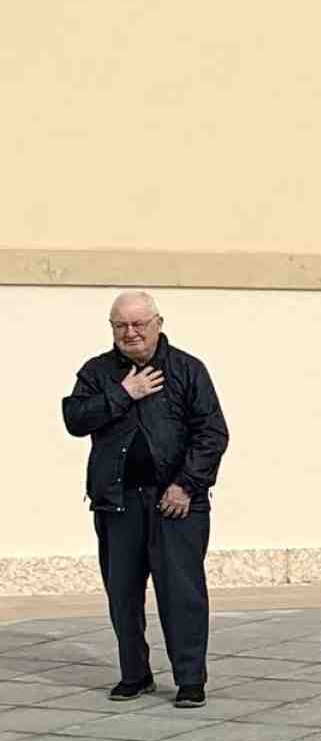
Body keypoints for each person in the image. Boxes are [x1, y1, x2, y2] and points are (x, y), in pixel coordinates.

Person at [61, 291, 230, 708]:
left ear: (158, 324)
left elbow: (212, 433)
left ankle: (190, 681)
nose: (130, 332)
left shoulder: (187, 369)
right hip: (117, 502)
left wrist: (186, 485)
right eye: (121, 325)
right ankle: (134, 675)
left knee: (182, 595)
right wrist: (125, 392)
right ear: (112, 328)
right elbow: (74, 419)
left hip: (176, 503)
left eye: (138, 324)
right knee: (122, 595)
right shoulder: (98, 371)